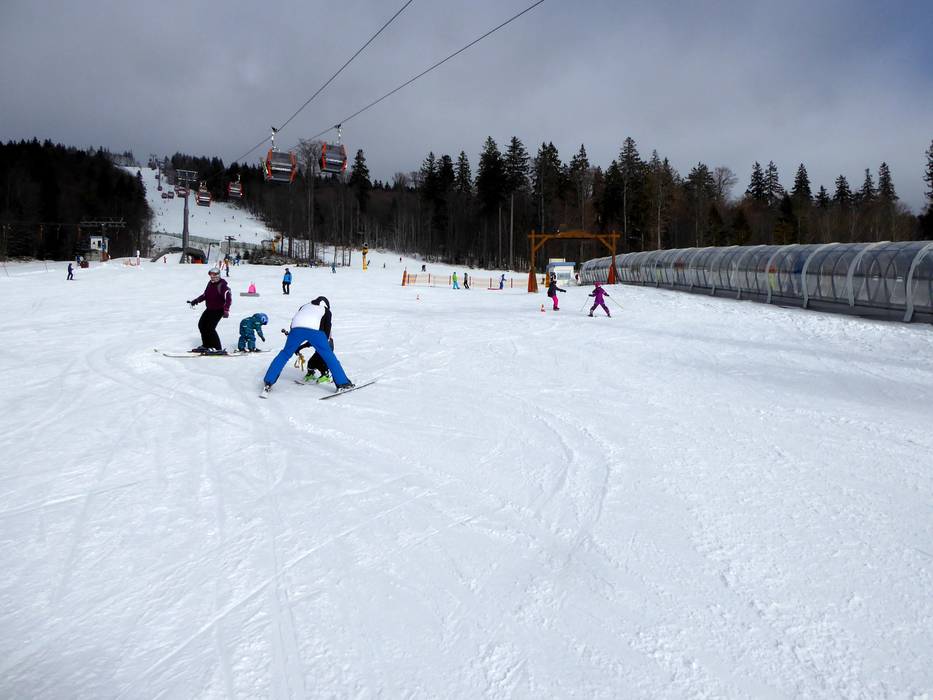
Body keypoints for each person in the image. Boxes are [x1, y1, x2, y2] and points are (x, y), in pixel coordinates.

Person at [263, 296, 353, 392]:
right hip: (315, 331)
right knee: (329, 356)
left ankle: (268, 381)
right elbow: (326, 332)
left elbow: (294, 320)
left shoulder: (304, 306)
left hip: (296, 329)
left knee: (284, 354)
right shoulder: (326, 311)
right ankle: (343, 383)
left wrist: (295, 343)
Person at [187, 267, 232, 353]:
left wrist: (226, 310)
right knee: (201, 325)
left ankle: (217, 348)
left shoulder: (222, 285)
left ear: (218, 275)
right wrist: (196, 301)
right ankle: (206, 345)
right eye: (211, 275)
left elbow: (228, 299)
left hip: (219, 310)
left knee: (210, 328)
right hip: (209, 309)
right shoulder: (210, 283)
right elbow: (205, 295)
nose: (212, 277)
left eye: (214, 275)